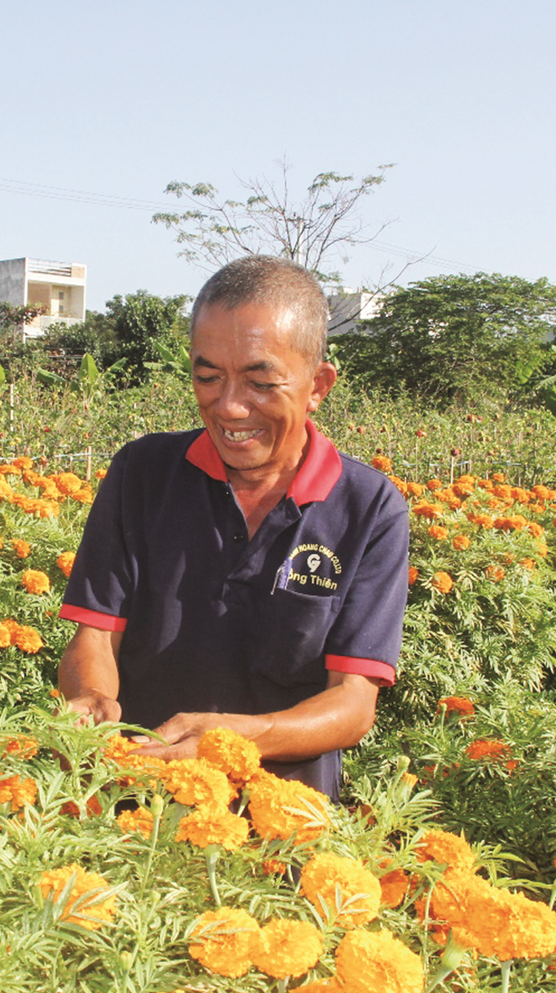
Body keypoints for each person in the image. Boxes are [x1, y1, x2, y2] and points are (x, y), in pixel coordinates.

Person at [57, 256, 409, 798]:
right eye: (207, 377)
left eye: (260, 381)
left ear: (318, 384)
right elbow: (95, 633)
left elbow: (353, 703)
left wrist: (238, 736)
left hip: (283, 819)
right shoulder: (142, 475)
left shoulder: (369, 508)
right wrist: (92, 698)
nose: (229, 407)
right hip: (140, 797)